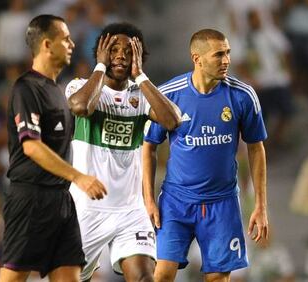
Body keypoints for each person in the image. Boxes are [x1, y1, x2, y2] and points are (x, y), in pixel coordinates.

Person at [143, 28, 269, 282]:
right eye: (218, 55)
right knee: (162, 274)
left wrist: (260, 205)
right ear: (197, 58)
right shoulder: (168, 94)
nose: (226, 61)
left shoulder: (243, 96)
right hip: (176, 202)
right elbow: (149, 146)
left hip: (222, 203)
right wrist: (148, 199)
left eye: (228, 53)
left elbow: (256, 148)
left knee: (217, 278)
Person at [65, 22, 182, 282]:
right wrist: (99, 67)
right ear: (101, 53)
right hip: (87, 209)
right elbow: (82, 107)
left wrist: (141, 77)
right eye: (113, 49)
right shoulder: (79, 86)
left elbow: (172, 120)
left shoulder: (140, 97)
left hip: (130, 210)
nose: (120, 55)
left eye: (129, 51)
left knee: (144, 278)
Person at [0, 14, 107, 282]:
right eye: (65, 38)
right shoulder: (27, 88)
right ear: (47, 45)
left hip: (61, 200)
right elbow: (32, 147)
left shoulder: (57, 90)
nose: (72, 43)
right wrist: (78, 176)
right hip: (31, 200)